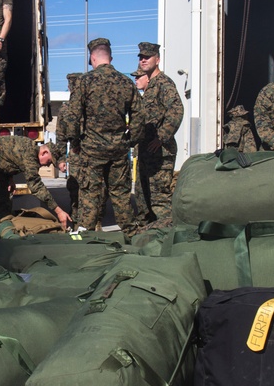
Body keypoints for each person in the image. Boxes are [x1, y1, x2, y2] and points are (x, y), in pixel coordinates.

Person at [58, 38, 145, 237]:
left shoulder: (85, 82)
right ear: (110, 58)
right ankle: (131, 235)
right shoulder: (125, 82)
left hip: (92, 149)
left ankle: (86, 237)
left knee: (90, 194)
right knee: (121, 194)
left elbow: (73, 115)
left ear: (93, 58)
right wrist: (130, 139)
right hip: (118, 149)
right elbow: (140, 114)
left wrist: (75, 142)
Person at [0, 136, 71, 232]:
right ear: (44, 153)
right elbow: (36, 186)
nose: (48, 166)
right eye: (49, 162)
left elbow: (7, 158)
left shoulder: (29, 150)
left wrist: (10, 179)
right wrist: (58, 210)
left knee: (4, 194)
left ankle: (3, 226)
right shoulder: (30, 155)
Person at [132, 42, 185, 226]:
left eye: (147, 56)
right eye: (141, 57)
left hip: (160, 154)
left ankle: (170, 237)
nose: (143, 60)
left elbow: (176, 110)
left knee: (159, 200)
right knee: (143, 199)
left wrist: (161, 137)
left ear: (158, 59)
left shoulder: (164, 83)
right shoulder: (150, 86)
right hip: (147, 153)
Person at [58, 72, 105, 230]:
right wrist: (60, 160)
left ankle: (94, 221)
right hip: (80, 155)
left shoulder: (92, 107)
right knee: (77, 190)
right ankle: (79, 222)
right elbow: (61, 137)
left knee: (94, 189)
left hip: (90, 154)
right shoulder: (67, 109)